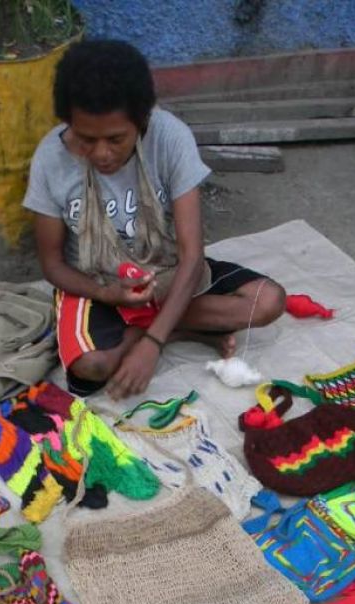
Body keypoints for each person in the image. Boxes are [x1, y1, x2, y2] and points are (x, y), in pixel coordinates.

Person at [23, 39, 285, 399]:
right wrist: (106, 293)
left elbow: (192, 256)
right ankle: (182, 328)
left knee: (269, 301)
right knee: (89, 370)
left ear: (143, 119)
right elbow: (52, 264)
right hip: (96, 281)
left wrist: (152, 343)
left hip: (164, 271)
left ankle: (157, 328)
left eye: (116, 139)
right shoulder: (50, 160)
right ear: (68, 122)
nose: (101, 153)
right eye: (86, 139)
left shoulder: (170, 137)